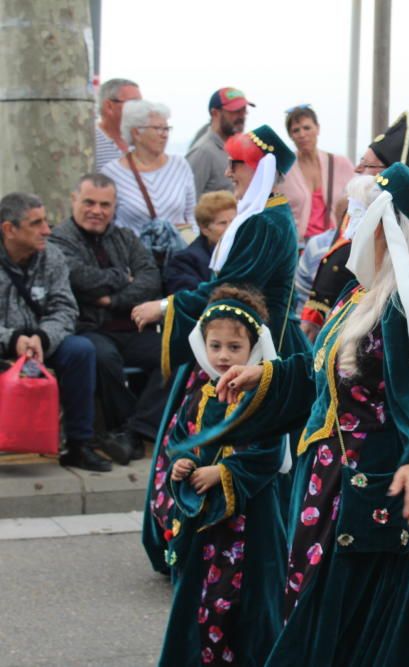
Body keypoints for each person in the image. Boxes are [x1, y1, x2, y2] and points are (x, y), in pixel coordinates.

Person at [185, 164, 409, 666]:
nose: (352, 227)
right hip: (327, 480)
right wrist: (266, 375)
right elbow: (326, 372)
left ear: (387, 229)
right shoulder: (359, 295)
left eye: (363, 216)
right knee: (319, 605)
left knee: (365, 619)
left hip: (371, 487)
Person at [135, 125, 310, 573]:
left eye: (237, 163)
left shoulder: (266, 224)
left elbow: (229, 291)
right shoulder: (261, 218)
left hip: (252, 350)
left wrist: (166, 305)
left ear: (259, 167)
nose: (228, 170)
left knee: (242, 445)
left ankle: (236, 551)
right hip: (239, 344)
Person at [154, 285, 287, 667]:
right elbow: (180, 438)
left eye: (234, 347)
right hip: (204, 521)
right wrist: (182, 463)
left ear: (254, 348)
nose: (224, 356)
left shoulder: (262, 395)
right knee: (201, 595)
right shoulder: (201, 394)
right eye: (216, 346)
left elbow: (269, 451)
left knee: (249, 596)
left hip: (252, 519)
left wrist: (224, 472)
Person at [50, 174, 165, 464]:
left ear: (114, 207)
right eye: (89, 202)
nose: (97, 211)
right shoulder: (59, 239)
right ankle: (126, 429)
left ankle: (133, 431)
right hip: (89, 328)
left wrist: (112, 299)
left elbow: (151, 278)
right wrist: (122, 276)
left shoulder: (125, 237)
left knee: (177, 350)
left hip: (134, 326)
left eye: (105, 204)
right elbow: (78, 277)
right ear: (74, 200)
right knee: (103, 358)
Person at [0, 193, 105, 471]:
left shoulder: (52, 256)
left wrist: (42, 338)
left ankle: (79, 445)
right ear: (9, 229)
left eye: (46, 221)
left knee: (81, 350)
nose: (47, 230)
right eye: (36, 223)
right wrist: (12, 339)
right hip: (5, 341)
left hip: (41, 340)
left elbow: (65, 308)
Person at [299, 112, 409, 340]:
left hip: (362, 326)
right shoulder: (355, 212)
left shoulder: (395, 224)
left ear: (387, 172)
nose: (357, 169)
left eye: (366, 163)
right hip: (330, 321)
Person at [100, 100, 197, 264]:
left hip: (179, 260)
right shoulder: (112, 173)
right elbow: (109, 224)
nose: (164, 134)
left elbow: (191, 216)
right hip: (135, 262)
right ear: (136, 132)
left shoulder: (180, 165)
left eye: (167, 128)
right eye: (158, 128)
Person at [277, 105, 354, 242]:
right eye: (296, 130)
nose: (302, 134)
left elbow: (359, 199)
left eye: (307, 128)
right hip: (297, 246)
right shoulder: (284, 169)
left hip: (333, 243)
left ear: (317, 128)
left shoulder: (339, 163)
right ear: (290, 136)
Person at [163, 191, 237, 294]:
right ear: (204, 229)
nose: (231, 228)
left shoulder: (246, 249)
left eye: (234, 221)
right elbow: (189, 299)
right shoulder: (185, 261)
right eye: (222, 223)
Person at [186, 88, 254, 198]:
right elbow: (187, 202)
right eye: (236, 110)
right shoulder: (203, 152)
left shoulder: (241, 149)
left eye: (244, 110)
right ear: (215, 113)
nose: (242, 116)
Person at [94, 78, 141, 171]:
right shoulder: (89, 142)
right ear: (109, 106)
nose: (141, 109)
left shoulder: (141, 141)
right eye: (134, 103)